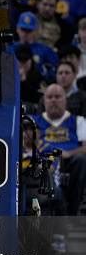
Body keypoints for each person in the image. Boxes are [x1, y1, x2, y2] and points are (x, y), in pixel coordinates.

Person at [32, 84, 86, 214]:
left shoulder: (78, 121)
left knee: (81, 159)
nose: (54, 100)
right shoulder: (33, 121)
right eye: (49, 97)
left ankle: (72, 212)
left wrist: (68, 153)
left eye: (58, 97)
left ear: (65, 100)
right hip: (44, 163)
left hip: (69, 164)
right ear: (44, 101)